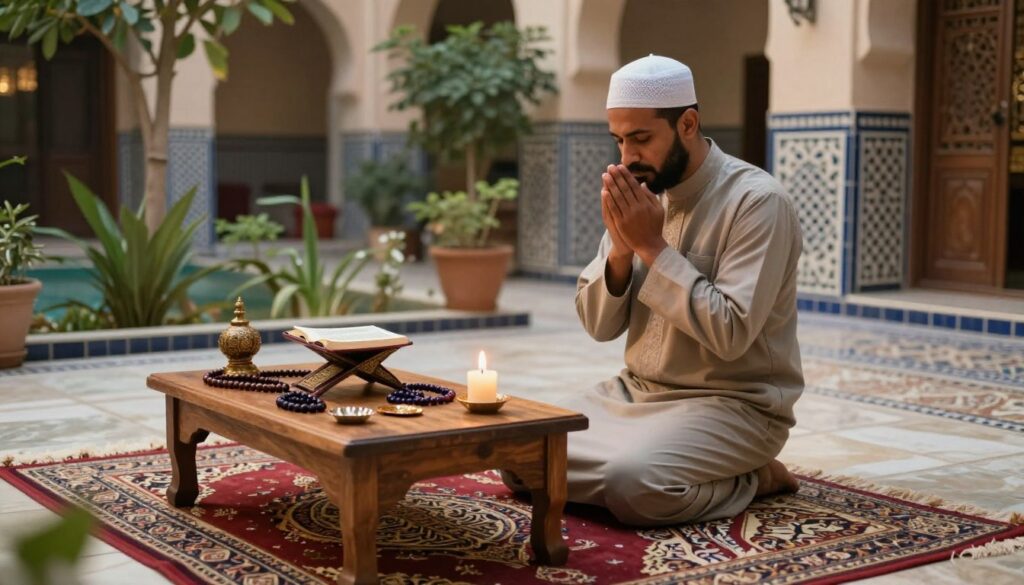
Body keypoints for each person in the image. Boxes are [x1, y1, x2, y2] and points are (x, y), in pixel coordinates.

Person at [531, 55, 803, 526]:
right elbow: (598, 327)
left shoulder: (757, 202)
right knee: (525, 454)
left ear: (688, 124)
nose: (626, 158)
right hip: (635, 393)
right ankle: (645, 459)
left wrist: (652, 247)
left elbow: (732, 333)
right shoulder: (643, 193)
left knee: (634, 487)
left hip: (733, 406)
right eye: (618, 140)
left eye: (640, 139)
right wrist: (620, 251)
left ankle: (755, 476)